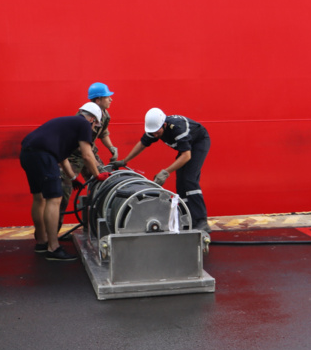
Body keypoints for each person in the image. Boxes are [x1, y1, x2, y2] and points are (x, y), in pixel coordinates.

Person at [19, 102, 109, 260]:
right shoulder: (84, 124)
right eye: (95, 126)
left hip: (27, 153)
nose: (93, 130)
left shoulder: (67, 125)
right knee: (54, 198)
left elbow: (62, 157)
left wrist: (74, 178)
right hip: (43, 155)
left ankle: (42, 241)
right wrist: (97, 175)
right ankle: (53, 248)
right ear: (92, 120)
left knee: (39, 198)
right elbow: (87, 155)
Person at [115, 108, 212, 232]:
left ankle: (201, 220)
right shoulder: (155, 128)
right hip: (186, 148)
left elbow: (186, 155)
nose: (155, 135)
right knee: (181, 183)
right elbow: (142, 144)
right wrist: (125, 160)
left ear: (164, 125)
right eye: (153, 133)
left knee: (189, 179)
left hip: (198, 143)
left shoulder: (177, 129)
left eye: (157, 132)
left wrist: (165, 172)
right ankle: (188, 217)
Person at [61, 82, 119, 236]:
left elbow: (104, 133)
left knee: (102, 183)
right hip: (72, 157)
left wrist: (111, 148)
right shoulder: (83, 116)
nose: (111, 100)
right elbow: (82, 150)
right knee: (62, 195)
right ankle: (51, 238)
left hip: (89, 153)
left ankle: (95, 222)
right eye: (108, 97)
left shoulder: (105, 115)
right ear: (98, 100)